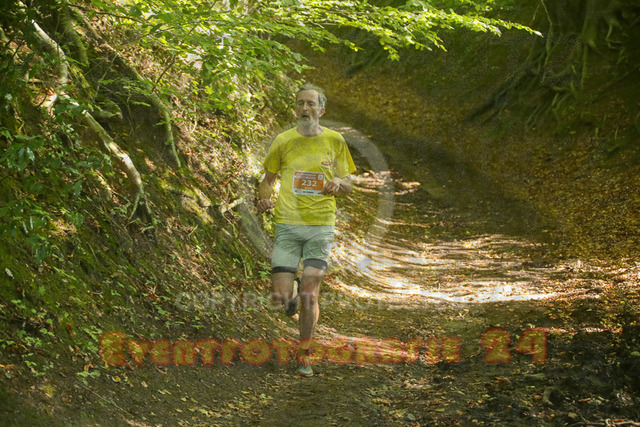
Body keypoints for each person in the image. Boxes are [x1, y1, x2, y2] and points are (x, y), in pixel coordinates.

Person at [257, 83, 356, 377]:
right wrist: (263, 198)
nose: (305, 108)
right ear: (295, 109)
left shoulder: (335, 140)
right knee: (282, 295)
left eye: (311, 104)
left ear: (321, 110)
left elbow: (349, 184)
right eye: (300, 103)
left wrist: (338, 182)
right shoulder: (283, 141)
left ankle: (304, 353)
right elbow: (268, 179)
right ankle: (292, 293)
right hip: (287, 224)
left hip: (320, 225)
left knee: (310, 292)